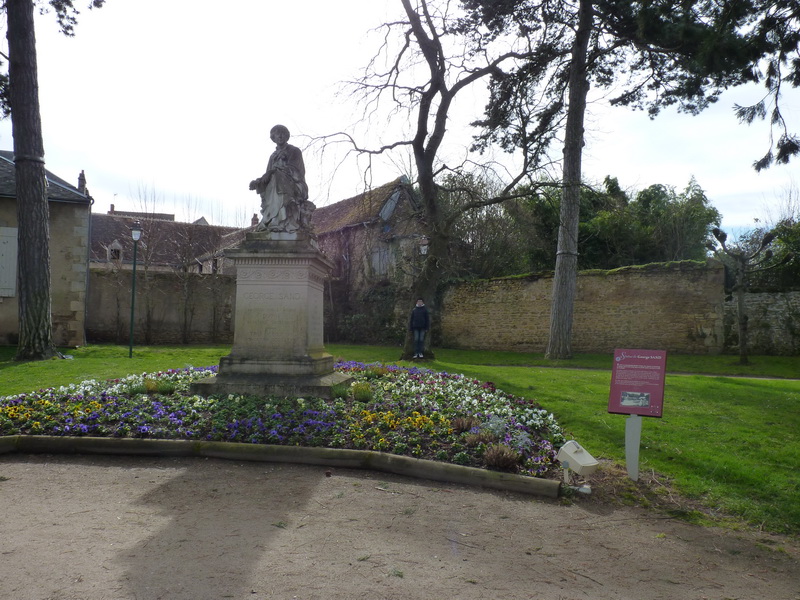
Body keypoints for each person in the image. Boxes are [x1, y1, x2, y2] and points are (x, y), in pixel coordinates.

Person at [249, 124, 313, 233]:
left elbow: (297, 172)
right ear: (273, 138)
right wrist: (258, 182)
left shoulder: (294, 151)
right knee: (273, 179)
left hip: (296, 185)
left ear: (287, 136)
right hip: (276, 184)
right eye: (277, 134)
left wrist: (274, 172)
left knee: (276, 177)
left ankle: (280, 220)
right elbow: (267, 176)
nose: (280, 136)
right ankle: (272, 219)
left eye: (282, 134)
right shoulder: (273, 156)